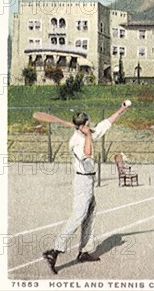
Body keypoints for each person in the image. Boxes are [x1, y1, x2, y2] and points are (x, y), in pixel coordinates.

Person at [43, 102, 130, 274]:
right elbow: (88, 154)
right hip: (82, 182)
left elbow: (106, 123)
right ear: (81, 126)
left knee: (90, 214)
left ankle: (83, 252)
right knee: (78, 216)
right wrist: (88, 136)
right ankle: (54, 251)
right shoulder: (76, 142)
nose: (91, 127)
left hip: (89, 181)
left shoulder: (86, 132)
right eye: (88, 125)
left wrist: (121, 109)